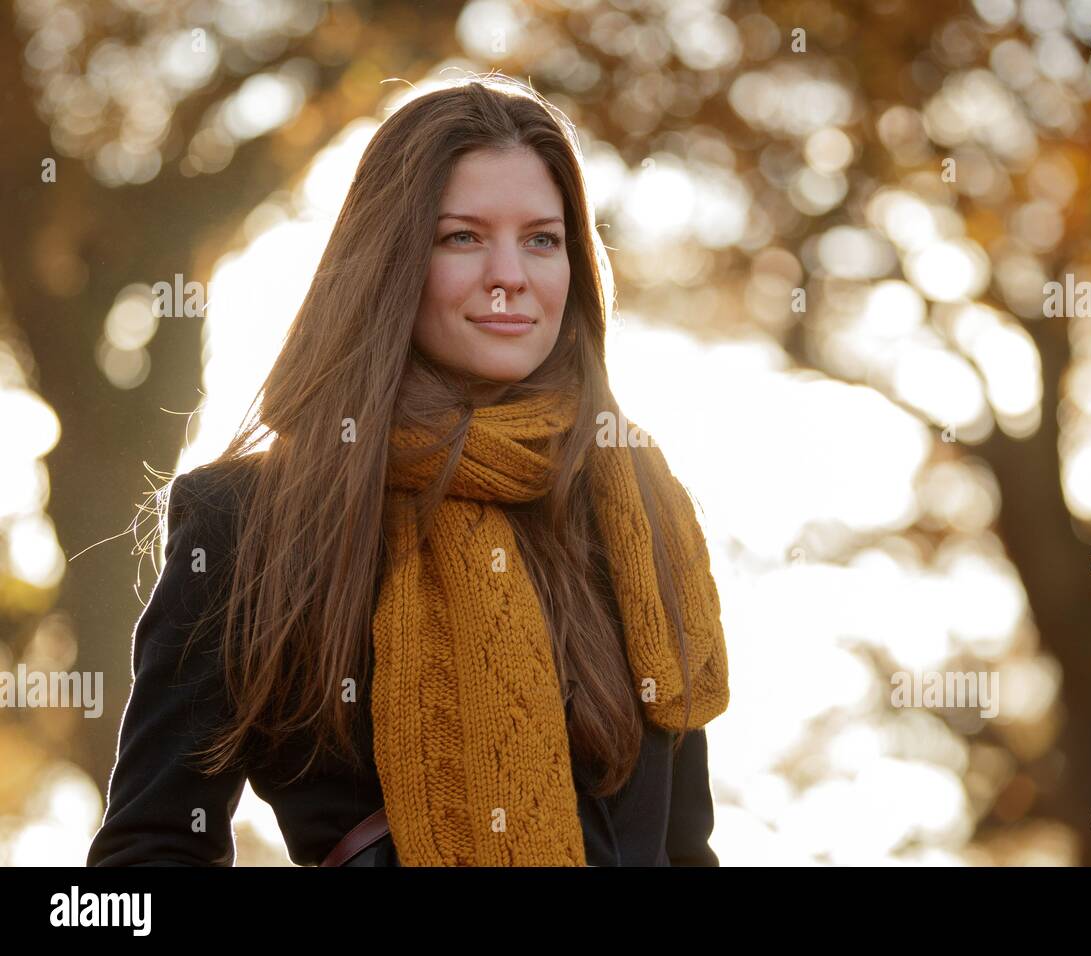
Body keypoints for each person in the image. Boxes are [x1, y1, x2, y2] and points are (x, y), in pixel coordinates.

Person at [86, 76, 730, 867]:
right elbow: (147, 856)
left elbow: (684, 849)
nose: (511, 276)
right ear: (390, 258)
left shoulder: (641, 513)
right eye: (461, 237)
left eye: (542, 238)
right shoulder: (249, 522)